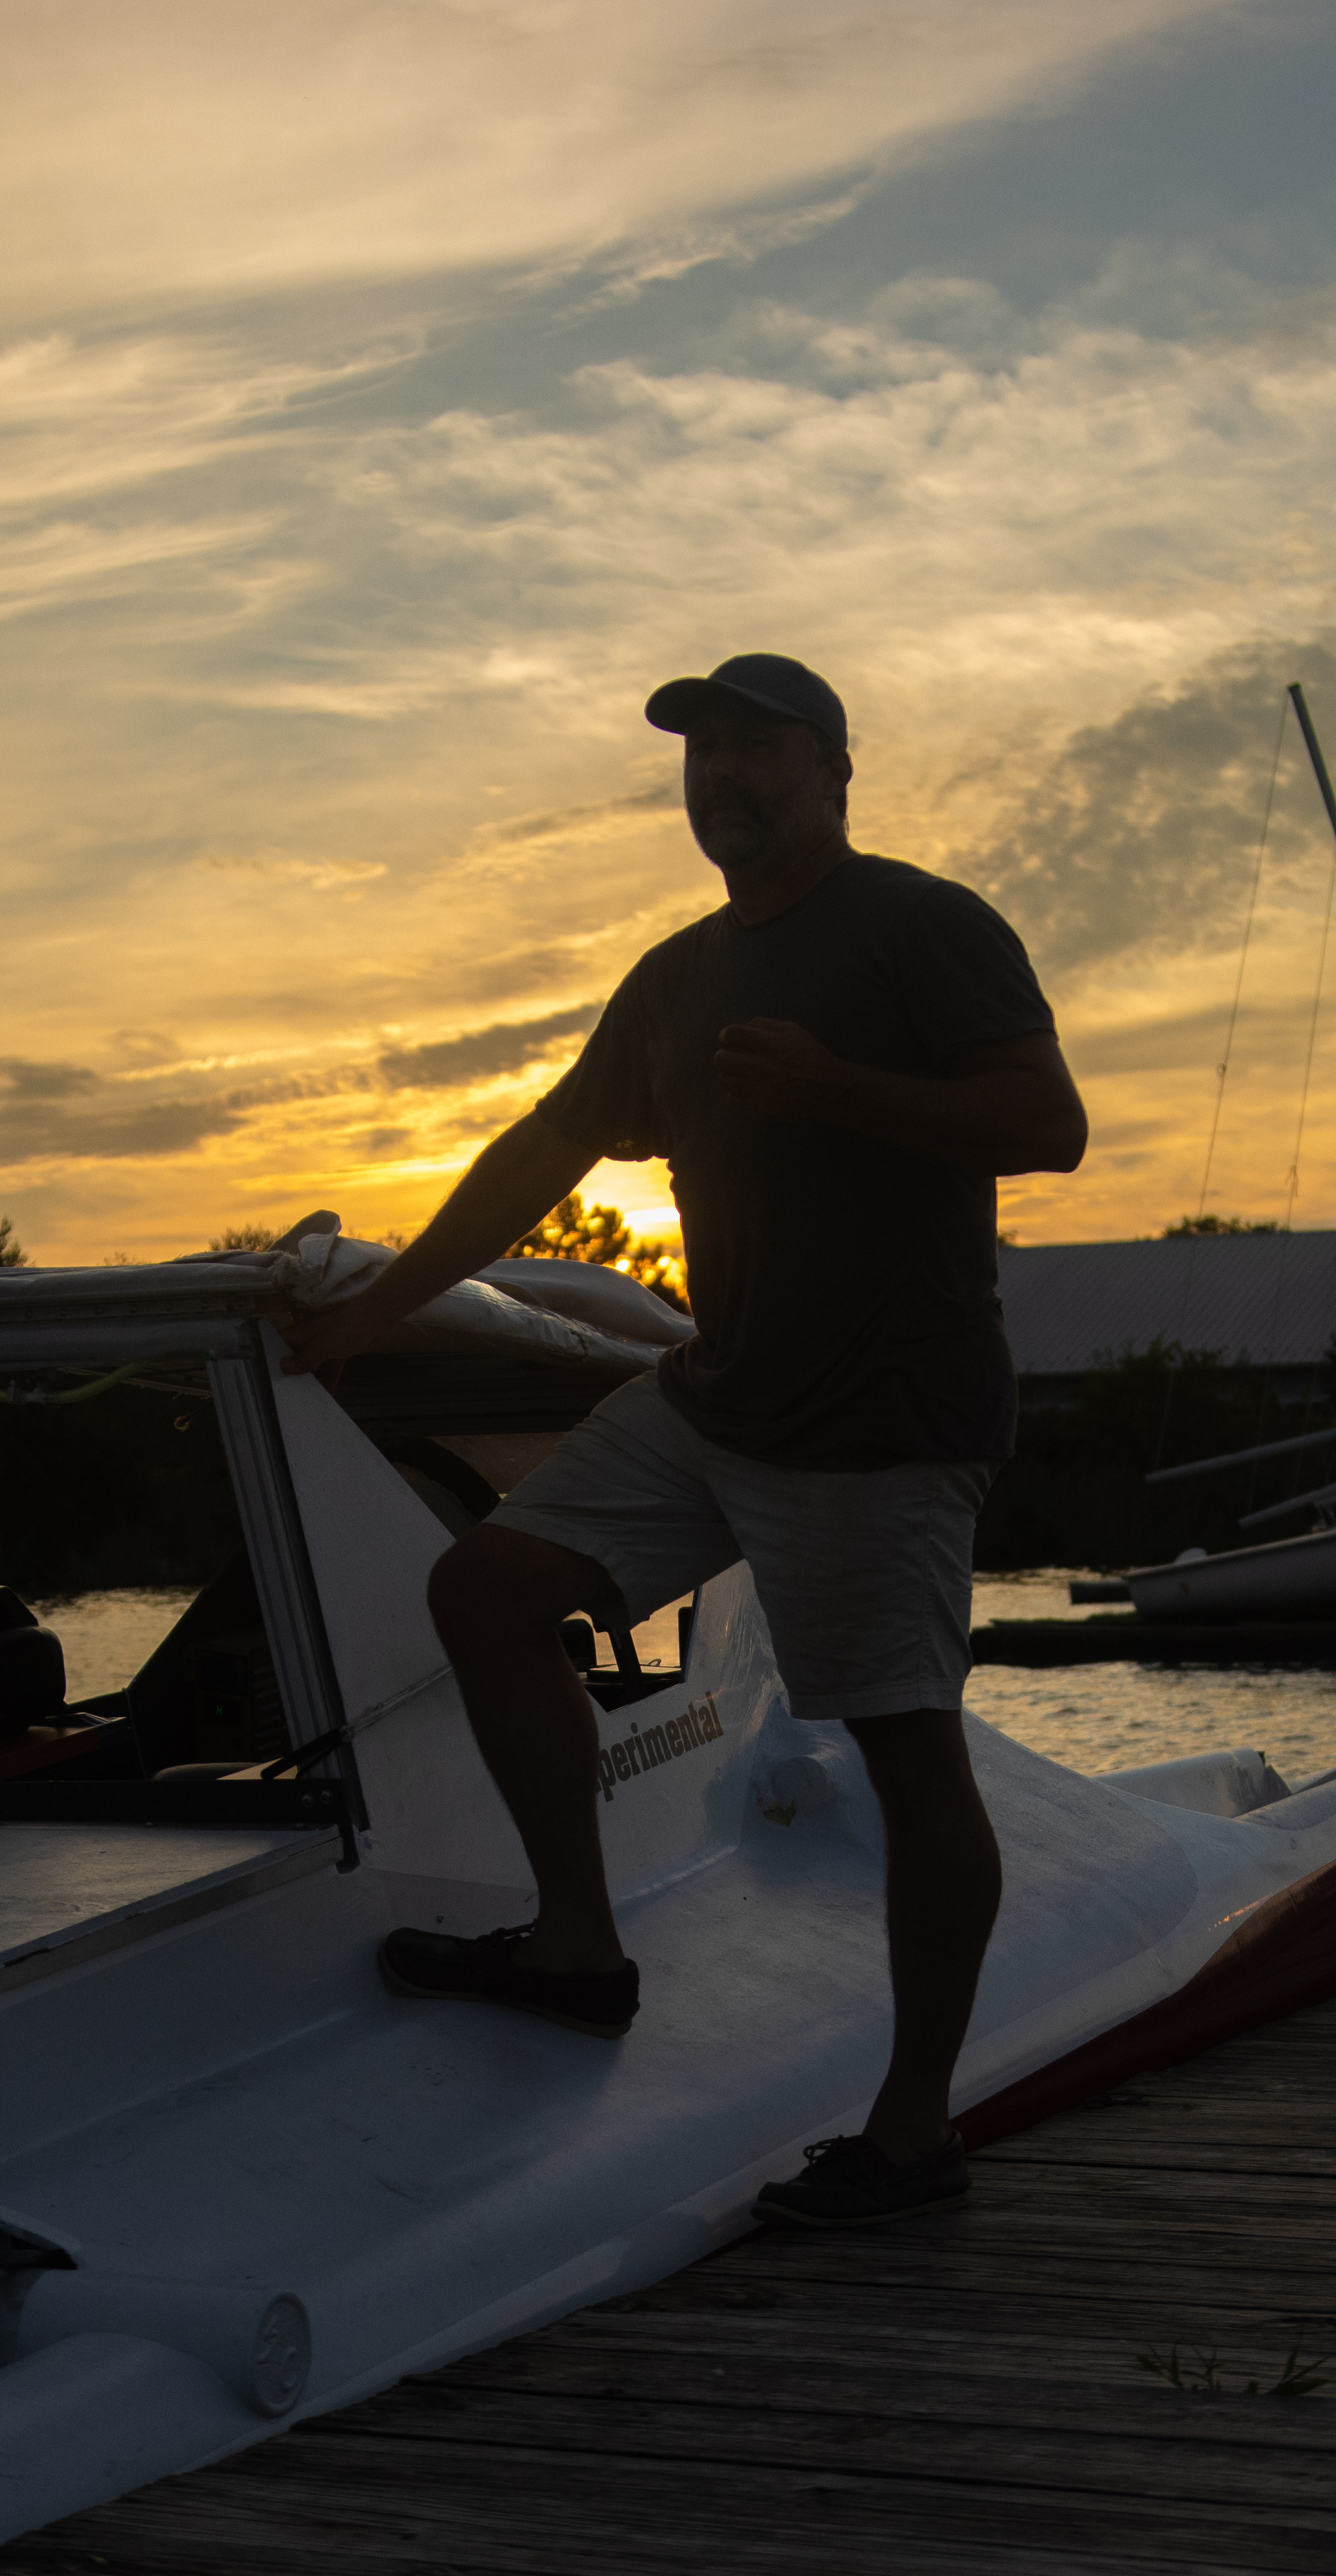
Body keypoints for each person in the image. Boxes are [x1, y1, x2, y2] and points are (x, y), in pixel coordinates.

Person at [274, 652, 1085, 2230]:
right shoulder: (677, 975)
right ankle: (575, 1945)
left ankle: (914, 2132)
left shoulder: (927, 927)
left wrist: (842, 1088)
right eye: (703, 754)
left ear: (836, 769)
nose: (726, 776)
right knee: (490, 1592)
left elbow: (1046, 1129)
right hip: (717, 1400)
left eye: (758, 747)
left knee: (908, 1753)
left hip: (881, 1426)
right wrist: (382, 1309)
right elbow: (547, 1149)